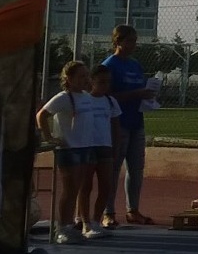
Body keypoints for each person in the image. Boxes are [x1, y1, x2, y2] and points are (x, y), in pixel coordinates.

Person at [101, 24, 156, 227]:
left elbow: (140, 89)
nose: (133, 45)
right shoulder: (109, 65)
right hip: (118, 124)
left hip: (136, 121)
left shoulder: (135, 65)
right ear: (118, 42)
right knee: (113, 168)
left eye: (135, 41)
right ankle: (108, 212)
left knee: (136, 168)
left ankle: (133, 210)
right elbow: (105, 95)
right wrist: (135, 94)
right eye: (129, 41)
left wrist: (148, 95)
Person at [36, 60, 96, 244]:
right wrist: (50, 137)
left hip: (85, 147)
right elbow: (42, 115)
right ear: (69, 78)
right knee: (69, 190)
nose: (86, 79)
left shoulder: (86, 96)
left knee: (78, 188)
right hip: (69, 149)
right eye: (81, 76)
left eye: (87, 75)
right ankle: (62, 228)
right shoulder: (63, 98)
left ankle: (71, 225)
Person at [77, 64, 122, 239]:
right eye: (101, 82)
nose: (105, 86)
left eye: (108, 82)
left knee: (106, 186)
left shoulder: (110, 101)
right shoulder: (84, 99)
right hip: (87, 146)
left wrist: (115, 148)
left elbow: (116, 127)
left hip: (105, 147)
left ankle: (96, 221)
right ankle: (84, 222)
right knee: (85, 186)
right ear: (92, 81)